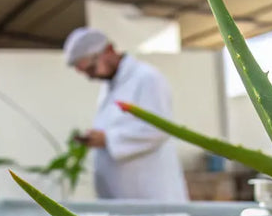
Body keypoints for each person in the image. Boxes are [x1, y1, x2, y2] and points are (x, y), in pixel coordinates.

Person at [62, 27, 189, 202]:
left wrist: (107, 139)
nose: (91, 77)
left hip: (150, 194)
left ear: (109, 51)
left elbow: (158, 129)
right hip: (122, 195)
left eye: (91, 69)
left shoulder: (147, 78)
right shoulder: (109, 86)